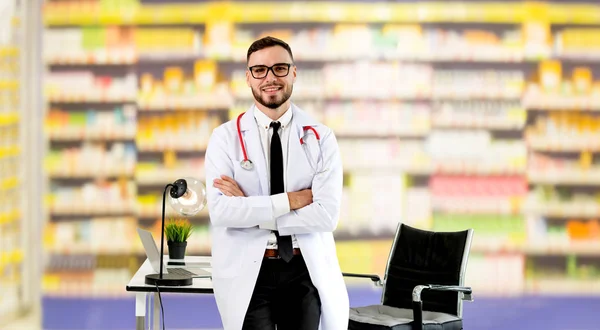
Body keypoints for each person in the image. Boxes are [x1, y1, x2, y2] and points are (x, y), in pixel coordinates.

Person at [204, 36, 349, 330]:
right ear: (248, 77)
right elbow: (221, 213)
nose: (270, 78)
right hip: (249, 270)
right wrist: (291, 200)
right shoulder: (224, 139)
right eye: (259, 70)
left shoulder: (321, 138)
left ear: (294, 72)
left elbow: (326, 215)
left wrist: (250, 208)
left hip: (303, 268)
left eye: (279, 68)